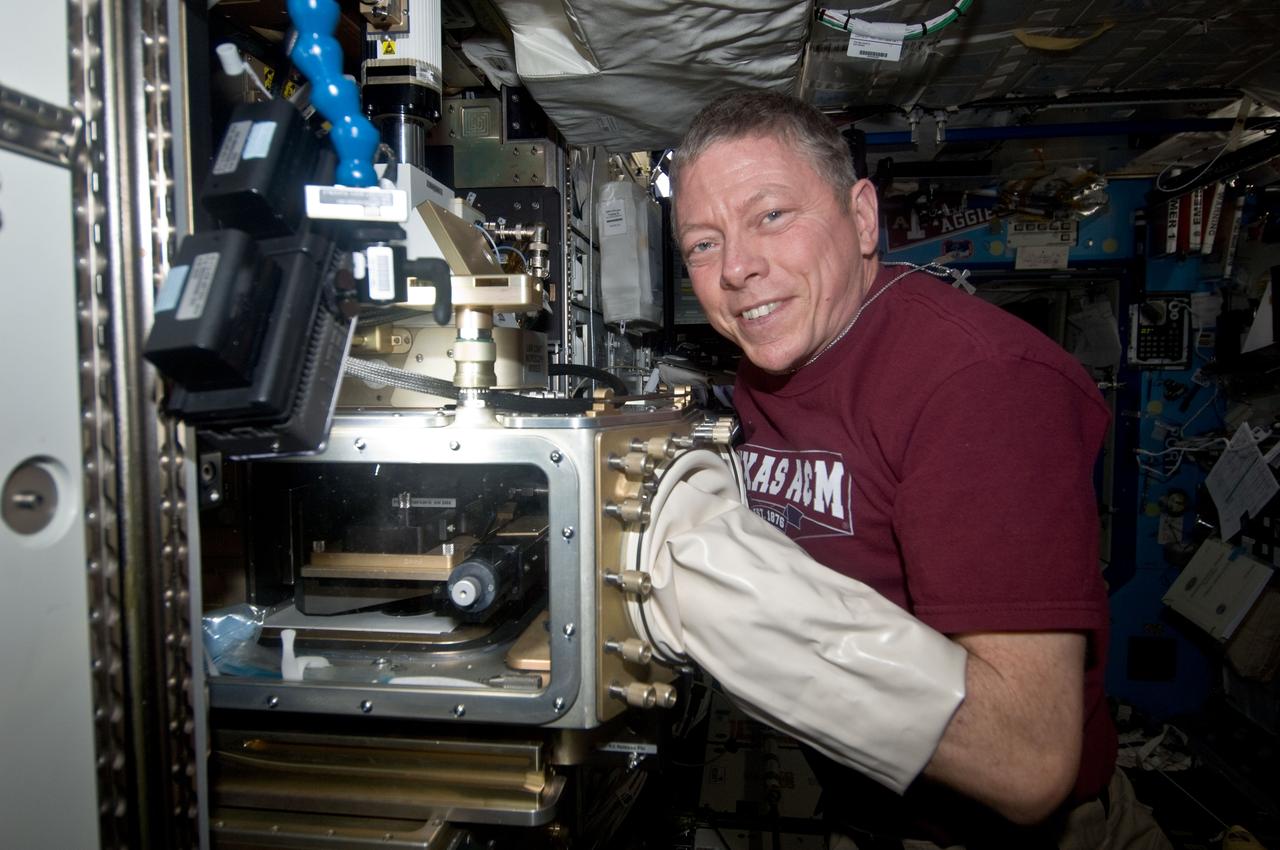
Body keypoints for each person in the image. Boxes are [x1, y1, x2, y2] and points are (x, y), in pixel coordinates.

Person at [671, 89, 1171, 849]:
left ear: (862, 217)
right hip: (870, 810)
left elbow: (1025, 760)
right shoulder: (771, 367)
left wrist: (733, 616)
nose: (736, 267)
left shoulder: (980, 384)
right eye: (703, 244)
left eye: (771, 215)